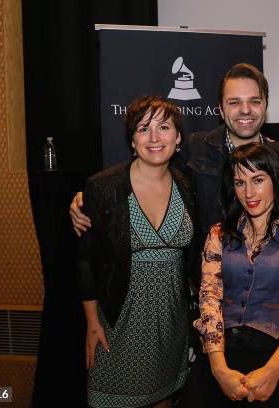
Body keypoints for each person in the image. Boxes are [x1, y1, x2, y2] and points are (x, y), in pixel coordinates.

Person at [71, 64, 279, 280]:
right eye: (234, 102)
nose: (245, 110)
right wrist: (93, 199)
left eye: (254, 101)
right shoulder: (196, 147)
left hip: (270, 281)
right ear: (221, 110)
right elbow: (151, 172)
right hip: (209, 283)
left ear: (265, 106)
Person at [180, 142, 279, 407]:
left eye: (258, 180)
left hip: (276, 355)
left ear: (275, 180)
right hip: (220, 352)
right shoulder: (218, 234)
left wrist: (272, 372)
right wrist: (219, 370)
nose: (249, 192)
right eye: (240, 182)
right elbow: (209, 300)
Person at [76, 95, 195, 407]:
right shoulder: (103, 187)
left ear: (178, 138)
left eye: (164, 127)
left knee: (163, 401)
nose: (154, 138)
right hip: (117, 324)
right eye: (144, 129)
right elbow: (85, 259)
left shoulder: (187, 185)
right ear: (132, 141)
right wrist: (92, 323)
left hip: (172, 323)